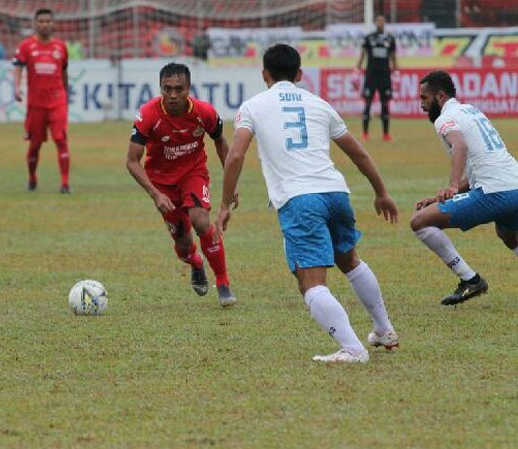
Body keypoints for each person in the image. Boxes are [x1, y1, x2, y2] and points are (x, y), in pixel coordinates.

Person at [215, 44, 399, 363]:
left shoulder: (253, 106)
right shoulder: (319, 104)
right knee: (350, 261)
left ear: (264, 75)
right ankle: (383, 330)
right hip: (336, 193)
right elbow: (359, 153)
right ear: (300, 74)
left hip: (301, 199)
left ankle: (353, 349)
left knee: (309, 283)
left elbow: (235, 155)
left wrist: (224, 204)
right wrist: (381, 192)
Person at [126, 63, 237, 308]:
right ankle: (195, 263)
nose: (173, 95)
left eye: (179, 89)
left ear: (189, 88)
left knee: (201, 221)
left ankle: (223, 282)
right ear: (160, 88)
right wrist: (155, 194)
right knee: (183, 244)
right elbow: (132, 161)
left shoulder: (204, 112)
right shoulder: (148, 115)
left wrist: (232, 180)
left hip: (193, 174)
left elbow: (220, 141)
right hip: (162, 184)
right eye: (167, 89)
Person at [411, 70, 518, 305]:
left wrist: (450, 186)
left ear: (440, 97)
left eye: (424, 99)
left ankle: (471, 280)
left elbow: (459, 145)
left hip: (495, 192)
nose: (422, 106)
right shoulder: (471, 111)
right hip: (514, 186)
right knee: (508, 235)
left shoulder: (445, 118)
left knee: (419, 221)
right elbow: (481, 167)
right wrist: (445, 194)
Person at [13, 8, 71, 194]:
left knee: (61, 139)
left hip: (57, 102)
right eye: (41, 21)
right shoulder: (26, 46)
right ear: (35, 24)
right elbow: (18, 67)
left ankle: (65, 183)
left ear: (53, 24)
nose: (45, 24)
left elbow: (64, 72)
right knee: (35, 144)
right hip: (36, 104)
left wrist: (65, 93)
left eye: (48, 21)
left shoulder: (60, 47)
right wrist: (16, 88)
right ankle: (32, 177)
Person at [356, 15, 398, 142]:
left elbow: (393, 56)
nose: (380, 23)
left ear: (385, 22)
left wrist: (396, 70)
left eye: (382, 21)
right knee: (367, 103)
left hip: (385, 76)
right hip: (371, 75)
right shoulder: (369, 38)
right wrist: (357, 69)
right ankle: (365, 133)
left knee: (385, 104)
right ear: (375, 23)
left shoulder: (390, 38)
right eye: (378, 21)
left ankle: (386, 134)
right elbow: (363, 54)